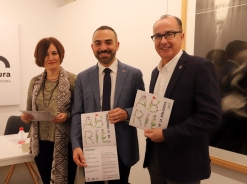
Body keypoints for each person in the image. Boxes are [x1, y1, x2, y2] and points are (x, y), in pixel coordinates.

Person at [143, 15, 221, 184]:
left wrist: (166, 134)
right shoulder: (155, 72)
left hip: (184, 164)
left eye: (169, 34)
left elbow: (210, 116)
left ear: (182, 36)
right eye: (157, 36)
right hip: (155, 158)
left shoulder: (200, 67)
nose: (163, 41)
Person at [71, 25, 145, 184]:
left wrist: (127, 113)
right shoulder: (83, 77)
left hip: (123, 148)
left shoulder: (134, 75)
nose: (103, 47)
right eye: (98, 43)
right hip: (92, 148)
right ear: (92, 47)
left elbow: (142, 110)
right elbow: (77, 113)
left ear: (117, 45)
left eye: (108, 42)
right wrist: (76, 145)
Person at [21, 37, 77, 184]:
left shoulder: (73, 80)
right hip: (41, 142)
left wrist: (67, 115)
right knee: (46, 181)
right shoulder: (35, 81)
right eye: (46, 54)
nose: (51, 58)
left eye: (54, 53)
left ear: (60, 55)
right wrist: (26, 117)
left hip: (66, 142)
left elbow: (80, 112)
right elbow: (29, 111)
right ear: (40, 57)